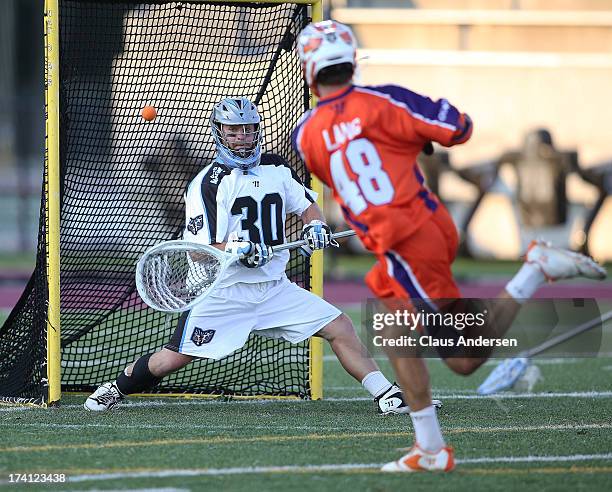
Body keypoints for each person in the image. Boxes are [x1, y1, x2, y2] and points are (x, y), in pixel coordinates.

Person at [293, 20, 607, 472]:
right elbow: (458, 127)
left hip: (407, 240)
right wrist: (416, 135)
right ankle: (430, 448)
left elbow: (348, 170)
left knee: (463, 359)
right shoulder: (385, 100)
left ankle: (534, 268)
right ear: (350, 60)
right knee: (395, 331)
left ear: (309, 70)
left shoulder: (306, 133)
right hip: (407, 236)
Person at [84, 97, 411, 415]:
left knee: (339, 326)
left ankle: (386, 395)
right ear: (219, 132)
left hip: (273, 288)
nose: (242, 137)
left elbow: (306, 205)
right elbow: (200, 254)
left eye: (248, 129)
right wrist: (239, 250)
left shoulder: (276, 167)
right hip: (225, 292)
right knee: (171, 359)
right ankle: (115, 389)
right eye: (234, 131)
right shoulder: (207, 185)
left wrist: (316, 226)